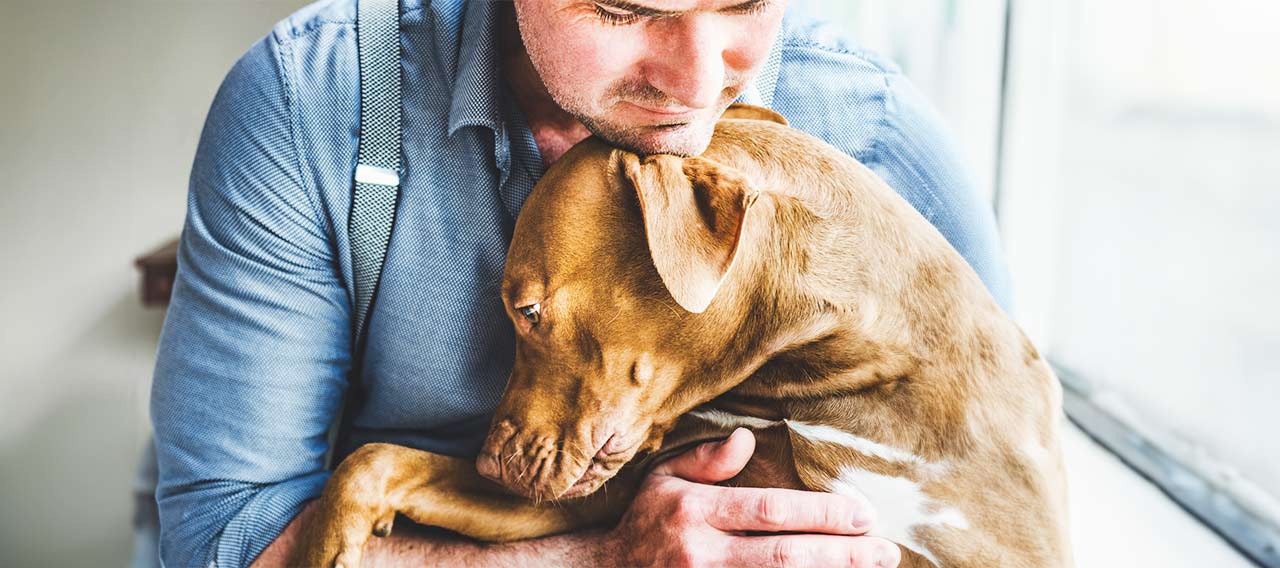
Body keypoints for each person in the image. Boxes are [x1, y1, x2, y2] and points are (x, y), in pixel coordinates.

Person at [150, 0, 1013, 566]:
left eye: (744, 2)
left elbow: (1003, 478)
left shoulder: (872, 133)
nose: (699, 84)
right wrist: (600, 560)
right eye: (624, 8)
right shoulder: (314, 102)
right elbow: (226, 538)